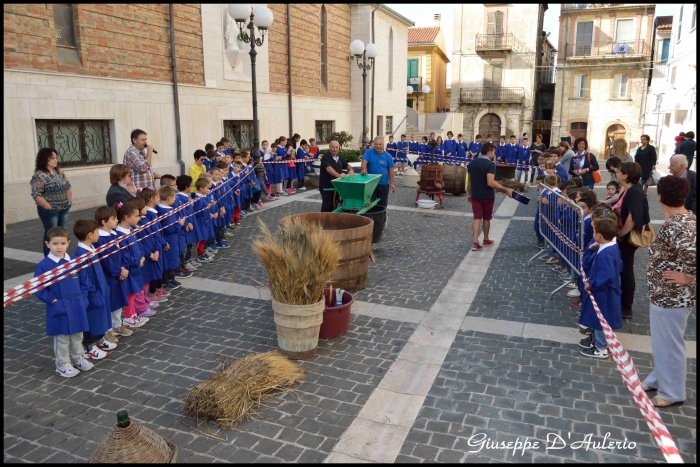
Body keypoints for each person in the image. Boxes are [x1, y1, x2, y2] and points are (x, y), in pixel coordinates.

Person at [642, 175, 696, 408]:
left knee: (670, 343)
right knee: (664, 341)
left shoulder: (678, 225)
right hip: (667, 295)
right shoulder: (687, 219)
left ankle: (672, 392)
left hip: (672, 297)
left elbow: (692, 252)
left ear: (660, 196)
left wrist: (688, 276)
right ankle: (658, 378)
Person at [34, 226, 92, 378]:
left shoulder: (74, 261)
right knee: (62, 337)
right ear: (48, 244)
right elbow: (39, 288)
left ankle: (77, 356)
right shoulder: (44, 266)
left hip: (77, 304)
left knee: (78, 334)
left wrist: (84, 298)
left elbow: (84, 280)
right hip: (59, 306)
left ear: (68, 243)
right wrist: (54, 301)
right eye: (55, 243)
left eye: (62, 243)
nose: (59, 247)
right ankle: (62, 363)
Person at [578, 217, 623, 359]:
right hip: (606, 291)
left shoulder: (605, 253)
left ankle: (601, 347)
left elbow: (606, 275)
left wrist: (591, 284)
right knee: (597, 318)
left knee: (600, 320)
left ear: (599, 235)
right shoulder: (611, 247)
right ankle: (597, 342)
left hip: (603, 293)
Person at [73, 219, 116, 360]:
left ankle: (100, 338)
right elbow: (84, 277)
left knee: (101, 316)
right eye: (97, 232)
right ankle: (89, 346)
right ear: (90, 235)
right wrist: (92, 291)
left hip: (100, 289)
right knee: (92, 318)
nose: (98, 234)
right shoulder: (80, 254)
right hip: (92, 292)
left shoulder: (91, 248)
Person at [616, 162, 650, 320]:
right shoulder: (629, 190)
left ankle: (626, 306)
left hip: (628, 239)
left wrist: (622, 232)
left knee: (626, 270)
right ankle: (623, 302)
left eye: (619, 171)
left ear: (626, 175)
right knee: (624, 269)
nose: (616, 173)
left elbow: (633, 217)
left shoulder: (635, 192)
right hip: (624, 237)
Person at [94, 206, 134, 341]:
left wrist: (124, 267)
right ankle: (108, 329)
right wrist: (118, 271)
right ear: (104, 222)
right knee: (110, 301)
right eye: (114, 219)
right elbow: (106, 261)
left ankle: (118, 324)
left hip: (120, 273)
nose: (117, 221)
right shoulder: (100, 240)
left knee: (118, 300)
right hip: (110, 277)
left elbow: (123, 252)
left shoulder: (114, 235)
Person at [467, 143, 514, 251]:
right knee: (487, 218)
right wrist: (506, 189)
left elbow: (469, 180)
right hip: (487, 195)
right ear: (489, 152)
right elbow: (491, 182)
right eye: (493, 152)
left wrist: (469, 193)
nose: (494, 154)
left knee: (477, 218)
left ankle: (475, 241)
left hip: (475, 194)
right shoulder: (490, 165)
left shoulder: (472, 162)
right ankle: (486, 239)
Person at [31, 148, 73, 257]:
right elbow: (36, 194)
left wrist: (69, 201)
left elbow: (68, 186)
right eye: (52, 158)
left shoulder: (59, 172)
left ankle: (61, 256)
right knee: (50, 235)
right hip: (50, 211)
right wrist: (48, 207)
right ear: (45, 160)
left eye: (56, 158)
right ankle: (49, 259)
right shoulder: (39, 175)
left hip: (64, 208)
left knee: (61, 234)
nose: (56, 160)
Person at [114, 202, 150, 329]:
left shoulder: (131, 230)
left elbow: (137, 245)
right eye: (136, 216)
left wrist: (142, 256)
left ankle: (133, 313)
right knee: (129, 292)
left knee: (134, 290)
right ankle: (129, 316)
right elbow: (124, 254)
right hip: (130, 268)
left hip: (135, 267)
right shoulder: (120, 235)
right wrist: (136, 261)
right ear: (126, 217)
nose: (139, 218)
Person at [361, 136, 395, 210]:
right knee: (369, 205)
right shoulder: (369, 152)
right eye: (376, 144)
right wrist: (363, 169)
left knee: (382, 206)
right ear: (373, 144)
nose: (378, 146)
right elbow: (364, 161)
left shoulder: (388, 156)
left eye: (380, 144)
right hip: (371, 184)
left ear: (383, 145)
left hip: (384, 184)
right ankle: (371, 220)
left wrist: (392, 183)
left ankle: (382, 220)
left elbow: (391, 170)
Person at [320, 141, 355, 212]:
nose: (335, 149)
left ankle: (333, 220)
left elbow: (347, 165)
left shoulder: (339, 157)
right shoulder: (325, 157)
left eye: (336, 147)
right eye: (333, 147)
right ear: (329, 147)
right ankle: (323, 220)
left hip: (337, 186)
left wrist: (351, 170)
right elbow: (329, 169)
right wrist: (339, 175)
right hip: (326, 186)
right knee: (327, 204)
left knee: (335, 204)